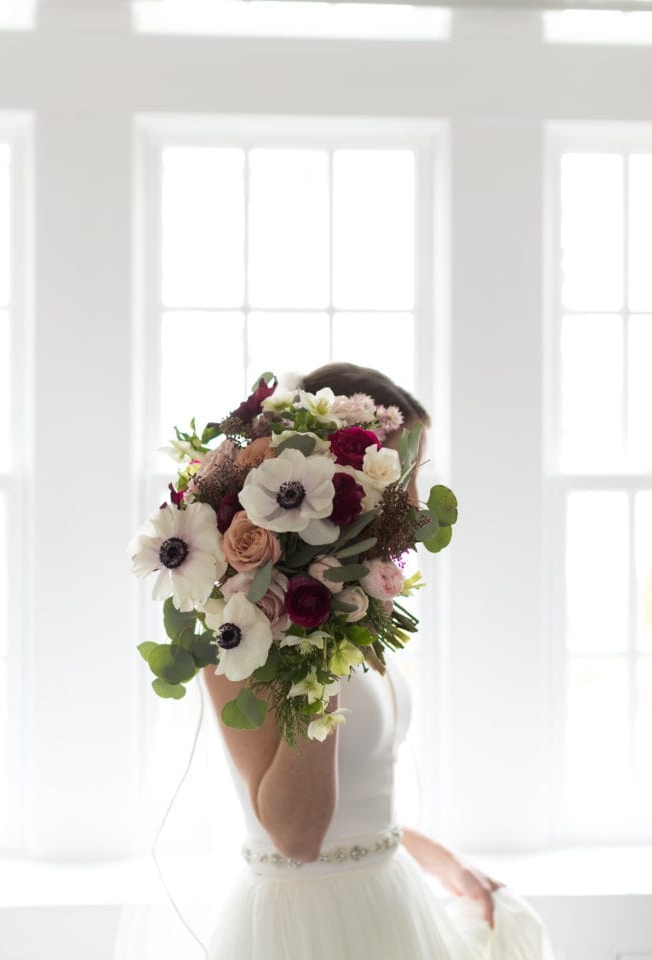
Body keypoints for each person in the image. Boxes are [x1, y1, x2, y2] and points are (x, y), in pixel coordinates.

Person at [203, 362, 556, 960]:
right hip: (304, 928)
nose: (415, 504)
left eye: (415, 475)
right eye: (399, 476)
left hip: (389, 900)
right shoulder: (243, 626)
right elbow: (297, 836)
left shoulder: (359, 603)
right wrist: (319, 625)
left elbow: (360, 801)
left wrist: (447, 865)